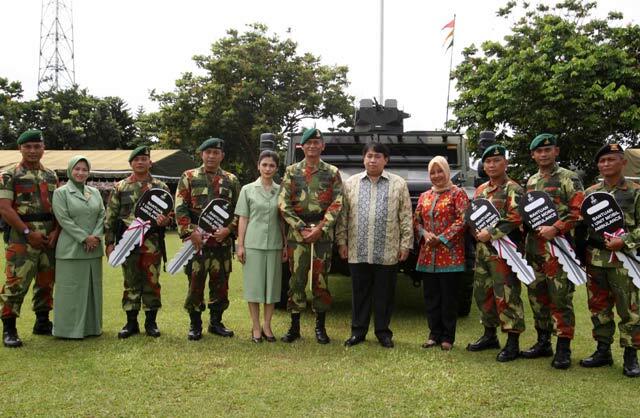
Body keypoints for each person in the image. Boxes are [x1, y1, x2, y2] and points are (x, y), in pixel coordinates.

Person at [336, 142, 412, 349]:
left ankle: (383, 332)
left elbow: (405, 216)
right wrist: (341, 241)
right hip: (357, 248)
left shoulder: (398, 184)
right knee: (359, 293)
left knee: (384, 294)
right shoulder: (350, 183)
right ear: (363, 158)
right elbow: (343, 215)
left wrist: (406, 244)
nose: (373, 160)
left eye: (378, 156)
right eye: (369, 156)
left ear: (386, 160)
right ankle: (358, 332)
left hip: (387, 249)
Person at [522, 133, 584, 369]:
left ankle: (563, 348)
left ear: (556, 152)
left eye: (548, 150)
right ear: (533, 155)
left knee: (560, 298)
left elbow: (578, 211)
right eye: (539, 151)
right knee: (537, 296)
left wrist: (556, 228)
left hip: (559, 249)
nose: (544, 154)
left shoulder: (569, 178)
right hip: (535, 249)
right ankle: (543, 341)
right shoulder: (531, 181)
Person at [579, 144, 640, 377]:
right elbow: (582, 227)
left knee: (630, 308)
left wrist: (625, 240)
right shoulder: (590, 193)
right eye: (602, 161)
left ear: (623, 162)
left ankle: (631, 355)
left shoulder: (635, 192)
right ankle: (602, 351)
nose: (606, 165)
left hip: (624, 261)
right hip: (596, 259)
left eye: (611, 160)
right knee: (598, 307)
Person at [278, 128, 343, 344]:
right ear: (302, 146)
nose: (312, 146)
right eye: (308, 143)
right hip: (298, 235)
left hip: (322, 235)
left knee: (321, 280)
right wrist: (300, 227)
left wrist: (320, 228)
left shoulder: (332, 172)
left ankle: (320, 328)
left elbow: (337, 203)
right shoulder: (291, 171)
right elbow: (283, 203)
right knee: (296, 279)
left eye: (317, 142)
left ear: (323, 146)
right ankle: (294, 326)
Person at [175, 138, 240, 341]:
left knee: (221, 284)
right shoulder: (189, 177)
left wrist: (229, 230)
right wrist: (189, 231)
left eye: (216, 152)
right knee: (195, 283)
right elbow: (180, 207)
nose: (211, 156)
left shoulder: (231, 180)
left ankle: (216, 322)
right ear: (201, 154)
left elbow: (240, 211)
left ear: (222, 156)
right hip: (197, 243)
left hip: (221, 243)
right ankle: (195, 324)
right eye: (208, 152)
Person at [0, 129, 60, 347]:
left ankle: (42, 322)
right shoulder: (9, 175)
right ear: (20, 149)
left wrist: (56, 231)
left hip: (48, 237)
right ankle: (9, 329)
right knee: (16, 282)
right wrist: (27, 233)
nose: (33, 151)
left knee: (46, 282)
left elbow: (59, 208)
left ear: (43, 148)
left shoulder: (51, 175)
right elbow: (5, 208)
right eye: (28, 147)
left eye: (37, 146)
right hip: (21, 238)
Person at [466, 145, 526, 362]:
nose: (491, 165)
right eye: (487, 162)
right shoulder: (481, 190)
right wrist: (475, 232)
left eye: (496, 161)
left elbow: (515, 218)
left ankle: (512, 342)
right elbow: (473, 215)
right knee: (483, 293)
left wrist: (491, 233)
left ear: (505, 163)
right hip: (483, 253)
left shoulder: (514, 189)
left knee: (507, 295)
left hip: (505, 252)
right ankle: (489, 335)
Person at [104, 146, 171, 339]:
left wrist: (166, 220)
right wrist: (109, 243)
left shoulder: (161, 187)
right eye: (137, 159)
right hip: (128, 243)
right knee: (130, 282)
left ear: (150, 162)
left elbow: (169, 214)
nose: (140, 162)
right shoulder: (120, 187)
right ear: (131, 163)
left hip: (152, 243)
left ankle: (151, 323)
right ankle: (130, 323)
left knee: (152, 282)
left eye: (144, 159)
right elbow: (111, 217)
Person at [414, 156, 469, 350]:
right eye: (433, 172)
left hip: (450, 255)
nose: (437, 176)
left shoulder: (458, 194)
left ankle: (447, 337)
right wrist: (424, 233)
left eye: (440, 171)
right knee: (431, 298)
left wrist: (442, 237)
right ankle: (433, 334)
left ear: (447, 172)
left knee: (449, 298)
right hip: (428, 255)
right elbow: (417, 220)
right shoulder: (424, 196)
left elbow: (463, 220)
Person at [235, 150, 287, 343]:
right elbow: (243, 218)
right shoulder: (247, 189)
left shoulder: (281, 190)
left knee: (272, 289)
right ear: (258, 166)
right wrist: (240, 246)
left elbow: (282, 220)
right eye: (264, 164)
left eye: (272, 165)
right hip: (253, 244)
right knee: (254, 287)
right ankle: (256, 326)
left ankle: (267, 325)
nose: (268, 168)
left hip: (274, 244)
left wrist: (283, 244)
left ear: (276, 168)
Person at [51, 156, 105, 339]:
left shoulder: (95, 192)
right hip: (70, 250)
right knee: (70, 291)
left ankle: (91, 328)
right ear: (69, 170)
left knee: (92, 289)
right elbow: (63, 219)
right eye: (77, 169)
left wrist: (95, 237)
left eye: (84, 169)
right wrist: (84, 238)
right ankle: (67, 330)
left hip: (94, 250)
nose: (81, 173)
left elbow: (102, 215)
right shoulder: (61, 193)